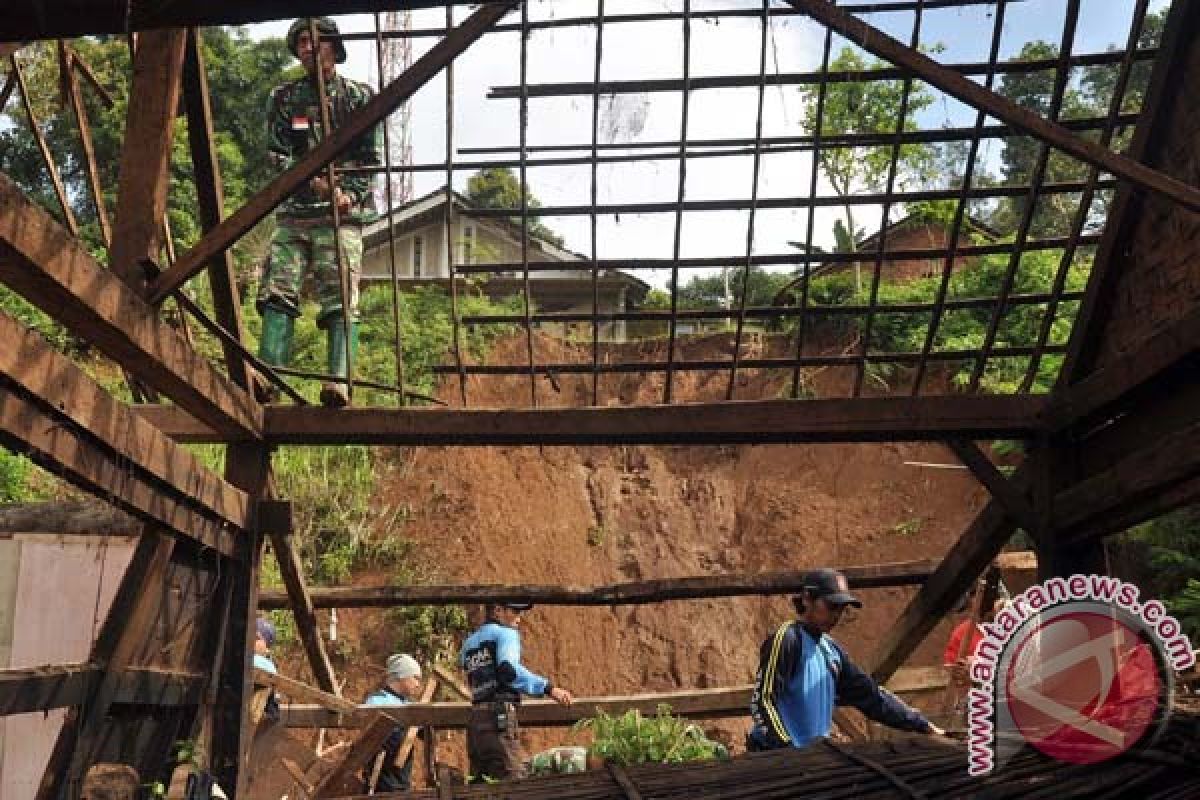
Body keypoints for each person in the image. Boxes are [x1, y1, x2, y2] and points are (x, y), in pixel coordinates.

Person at [258, 16, 382, 407]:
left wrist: (348, 192)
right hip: (296, 213)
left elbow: (370, 157)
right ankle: (267, 377)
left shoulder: (358, 98)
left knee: (341, 296)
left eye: (315, 41)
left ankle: (338, 382)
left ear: (333, 46)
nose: (308, 49)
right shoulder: (284, 99)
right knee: (278, 290)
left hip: (341, 217)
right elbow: (278, 152)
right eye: (301, 44)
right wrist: (308, 179)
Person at [747, 568, 945, 750]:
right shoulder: (788, 639)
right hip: (776, 756)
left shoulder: (832, 652)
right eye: (831, 606)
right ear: (807, 599)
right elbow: (763, 700)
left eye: (840, 609)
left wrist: (922, 725)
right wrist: (786, 748)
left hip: (811, 759)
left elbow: (872, 697)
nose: (836, 615)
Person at [459, 602, 574, 782]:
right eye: (515, 611)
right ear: (497, 610)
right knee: (514, 782)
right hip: (498, 719)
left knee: (480, 786)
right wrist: (548, 688)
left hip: (475, 722)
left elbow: (469, 673)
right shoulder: (506, 634)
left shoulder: (468, 644)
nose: (519, 619)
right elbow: (507, 669)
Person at [362, 653, 424, 792]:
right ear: (401, 676)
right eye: (415, 678)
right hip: (380, 784)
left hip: (401, 784)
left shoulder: (408, 704)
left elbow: (425, 733)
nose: (417, 684)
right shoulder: (377, 701)